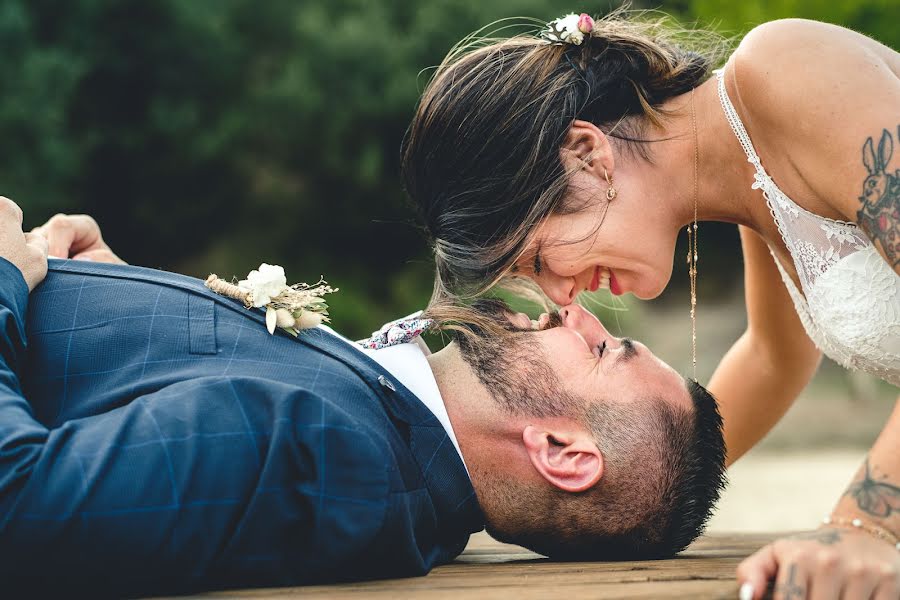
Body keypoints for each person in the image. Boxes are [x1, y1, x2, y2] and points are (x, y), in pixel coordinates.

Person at [401, 9, 900, 599]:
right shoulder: (753, 182)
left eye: (536, 260)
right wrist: (629, 495)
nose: (561, 297)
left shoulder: (786, 67)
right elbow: (774, 358)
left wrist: (867, 525)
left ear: (585, 155)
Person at [0, 198, 726, 596]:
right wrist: (121, 297)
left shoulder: (337, 457)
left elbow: (21, 511)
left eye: (602, 349)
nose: (577, 313)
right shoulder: (371, 430)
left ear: (562, 452)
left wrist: (3, 277)